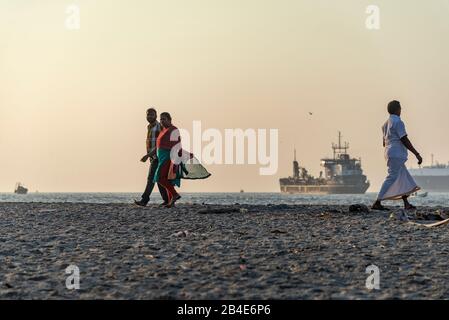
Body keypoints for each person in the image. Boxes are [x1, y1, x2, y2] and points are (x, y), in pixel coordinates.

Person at [372, 100, 423, 211]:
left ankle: (406, 203)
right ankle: (377, 202)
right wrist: (417, 154)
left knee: (403, 176)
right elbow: (404, 139)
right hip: (396, 153)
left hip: (389, 152)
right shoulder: (398, 122)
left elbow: (384, 142)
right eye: (400, 108)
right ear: (397, 110)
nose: (401, 110)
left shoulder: (385, 124)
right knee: (392, 177)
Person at [134, 108, 169, 207]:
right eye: (148, 115)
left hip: (158, 156)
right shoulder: (149, 127)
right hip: (152, 157)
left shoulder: (159, 127)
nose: (149, 116)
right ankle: (167, 200)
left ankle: (144, 200)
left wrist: (148, 155)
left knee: (151, 178)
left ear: (156, 116)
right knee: (157, 178)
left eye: (152, 115)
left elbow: (159, 144)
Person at [153, 112, 183, 208]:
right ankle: (171, 202)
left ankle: (174, 195)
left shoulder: (173, 129)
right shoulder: (164, 130)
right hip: (161, 156)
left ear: (170, 120)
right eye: (161, 119)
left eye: (164, 119)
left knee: (159, 178)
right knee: (167, 179)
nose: (162, 121)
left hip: (168, 156)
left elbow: (178, 144)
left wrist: (176, 159)